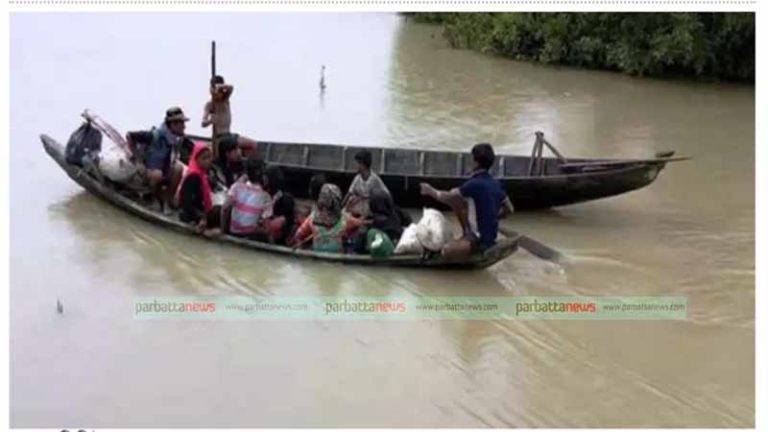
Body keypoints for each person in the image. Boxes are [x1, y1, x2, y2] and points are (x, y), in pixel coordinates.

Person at [419, 143, 514, 260]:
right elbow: (510, 209)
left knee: (446, 251)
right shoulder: (496, 183)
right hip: (490, 236)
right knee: (458, 199)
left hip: (479, 240)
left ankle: (470, 246)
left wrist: (430, 191)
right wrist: (493, 216)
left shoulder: (473, 184)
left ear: (476, 162)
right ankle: (466, 235)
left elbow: (448, 197)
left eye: (471, 158)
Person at [126, 107, 188, 213]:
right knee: (157, 174)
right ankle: (152, 199)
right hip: (149, 170)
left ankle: (167, 200)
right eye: (181, 124)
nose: (184, 127)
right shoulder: (155, 135)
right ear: (173, 125)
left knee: (178, 168)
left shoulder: (177, 139)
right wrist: (138, 160)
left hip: (165, 169)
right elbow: (130, 135)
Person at [293, 184, 365, 253]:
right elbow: (361, 224)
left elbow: (298, 236)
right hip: (330, 259)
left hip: (324, 258)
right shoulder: (345, 219)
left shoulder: (312, 218)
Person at [202, 75, 258, 157]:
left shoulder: (226, 99)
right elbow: (203, 123)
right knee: (252, 144)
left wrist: (219, 87)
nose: (218, 94)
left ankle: (246, 162)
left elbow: (231, 87)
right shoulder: (210, 104)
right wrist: (210, 121)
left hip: (228, 135)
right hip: (220, 138)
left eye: (220, 91)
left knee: (251, 146)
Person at [177, 143, 221, 237]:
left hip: (199, 210)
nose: (208, 161)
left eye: (209, 157)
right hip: (190, 214)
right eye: (204, 158)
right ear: (196, 159)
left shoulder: (202, 173)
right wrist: (201, 218)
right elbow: (187, 203)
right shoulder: (193, 177)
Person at [221, 159, 270, 237]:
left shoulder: (236, 187)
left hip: (233, 232)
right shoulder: (266, 197)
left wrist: (223, 230)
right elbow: (267, 230)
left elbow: (225, 208)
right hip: (250, 236)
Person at [343, 149, 391, 217]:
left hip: (372, 206)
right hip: (362, 204)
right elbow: (349, 193)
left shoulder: (374, 179)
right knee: (352, 199)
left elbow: (387, 194)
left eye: (357, 163)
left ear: (362, 164)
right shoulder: (358, 178)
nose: (354, 165)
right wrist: (342, 206)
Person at [262, 165, 296, 245]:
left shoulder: (285, 199)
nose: (263, 180)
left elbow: (286, 222)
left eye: (265, 178)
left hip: (278, 237)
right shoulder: (263, 194)